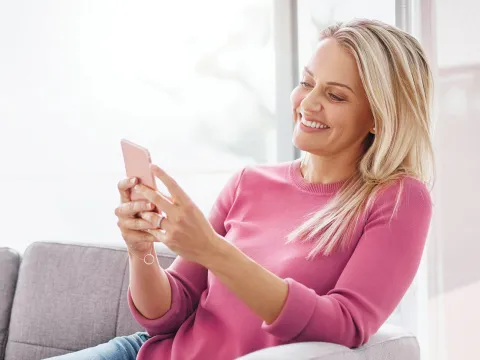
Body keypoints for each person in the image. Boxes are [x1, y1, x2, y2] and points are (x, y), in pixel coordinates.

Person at [44, 18, 434, 360]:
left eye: (335, 95)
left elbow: (345, 326)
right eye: (307, 83)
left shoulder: (398, 199)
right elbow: (166, 316)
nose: (307, 104)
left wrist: (214, 251)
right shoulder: (249, 182)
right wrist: (140, 250)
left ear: (379, 118)